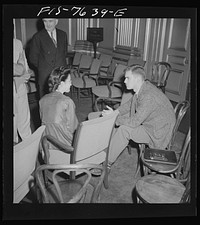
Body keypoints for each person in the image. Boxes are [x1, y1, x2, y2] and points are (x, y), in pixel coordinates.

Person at [101, 65, 176, 167]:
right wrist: (115, 113)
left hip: (157, 132)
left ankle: (106, 164)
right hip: (154, 124)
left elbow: (134, 122)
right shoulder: (144, 87)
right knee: (122, 121)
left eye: (128, 78)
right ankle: (108, 150)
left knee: (124, 129)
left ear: (137, 79)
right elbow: (130, 104)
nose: (124, 81)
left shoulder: (147, 96)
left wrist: (114, 119)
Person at [39, 66, 79, 150]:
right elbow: (73, 128)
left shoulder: (42, 100)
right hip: (65, 146)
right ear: (61, 83)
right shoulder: (67, 102)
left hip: (46, 145)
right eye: (69, 81)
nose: (71, 84)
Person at [29, 18, 68, 98]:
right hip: (45, 74)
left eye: (50, 21)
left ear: (56, 21)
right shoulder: (37, 36)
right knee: (46, 101)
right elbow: (33, 58)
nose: (48, 24)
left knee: (60, 100)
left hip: (60, 73)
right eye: (45, 21)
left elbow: (64, 53)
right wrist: (44, 67)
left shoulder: (63, 34)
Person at [13, 38, 32, 144]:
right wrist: (20, 69)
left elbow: (24, 67)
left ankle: (29, 146)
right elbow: (19, 69)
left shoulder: (17, 43)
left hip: (20, 86)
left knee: (24, 119)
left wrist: (25, 73)